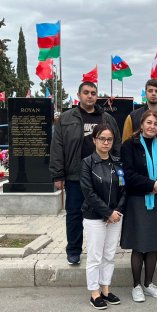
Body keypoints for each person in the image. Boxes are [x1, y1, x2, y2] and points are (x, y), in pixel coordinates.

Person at [50, 81, 121, 265]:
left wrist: (116, 171)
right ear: (79, 95)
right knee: (74, 213)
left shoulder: (107, 119)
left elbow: (117, 146)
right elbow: (57, 147)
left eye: (93, 93)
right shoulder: (66, 119)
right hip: (76, 175)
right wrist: (58, 175)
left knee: (101, 213)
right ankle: (73, 250)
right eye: (86, 92)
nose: (90, 96)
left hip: (103, 176)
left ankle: (99, 251)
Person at [120, 110, 157, 302]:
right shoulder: (129, 145)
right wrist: (152, 184)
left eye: (156, 124)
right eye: (149, 123)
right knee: (139, 245)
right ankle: (136, 285)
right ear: (142, 124)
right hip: (138, 200)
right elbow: (127, 174)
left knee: (153, 244)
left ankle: (149, 283)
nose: (152, 127)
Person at [80, 124, 126, 310]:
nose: (106, 142)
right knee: (95, 256)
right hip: (94, 217)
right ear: (94, 140)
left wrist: (116, 212)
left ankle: (106, 289)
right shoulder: (87, 163)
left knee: (109, 255)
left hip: (115, 217)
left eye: (109, 139)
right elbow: (88, 193)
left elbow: (124, 190)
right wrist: (106, 213)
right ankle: (94, 293)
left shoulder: (118, 163)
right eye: (102, 139)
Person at [122, 78, 157, 146]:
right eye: (150, 91)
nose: (153, 94)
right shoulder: (133, 117)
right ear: (145, 93)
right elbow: (126, 144)